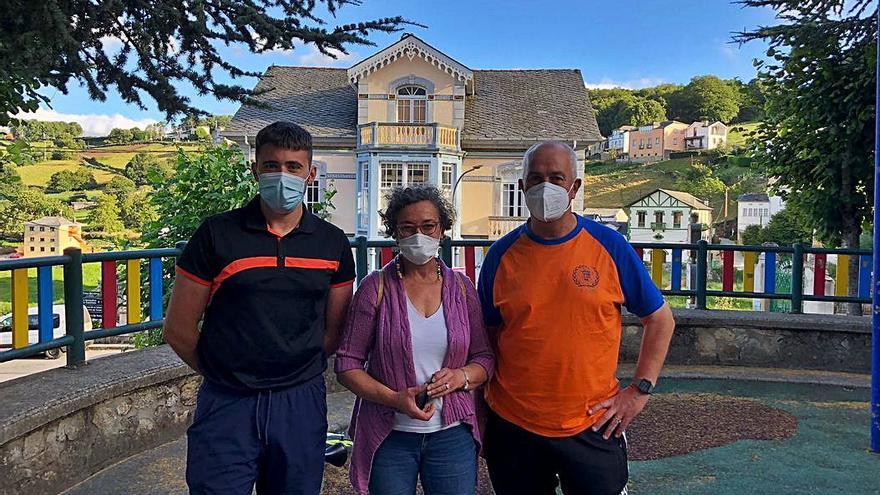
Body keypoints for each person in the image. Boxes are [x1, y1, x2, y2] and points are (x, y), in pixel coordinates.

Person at [163, 121, 355, 495]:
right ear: (255, 169)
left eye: (293, 167)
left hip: (300, 402)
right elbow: (179, 329)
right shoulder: (217, 234)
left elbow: (334, 331)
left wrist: (292, 369)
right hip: (228, 403)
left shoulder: (332, 244)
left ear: (310, 173)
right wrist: (225, 372)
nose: (282, 175)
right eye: (272, 166)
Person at [477, 141, 676, 495]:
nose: (545, 187)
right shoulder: (499, 256)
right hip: (513, 424)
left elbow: (660, 319)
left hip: (593, 423)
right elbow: (487, 341)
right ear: (522, 187)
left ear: (575, 187)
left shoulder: (609, 247)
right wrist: (482, 414)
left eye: (557, 178)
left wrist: (639, 390)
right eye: (536, 179)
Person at [335, 185, 495, 495]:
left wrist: (460, 376)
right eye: (407, 228)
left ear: (443, 230)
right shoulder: (374, 288)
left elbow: (484, 359)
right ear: (394, 233)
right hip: (389, 435)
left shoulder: (462, 288)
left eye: (427, 226)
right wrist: (394, 399)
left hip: (452, 434)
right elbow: (347, 364)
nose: (417, 236)